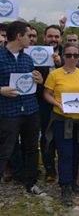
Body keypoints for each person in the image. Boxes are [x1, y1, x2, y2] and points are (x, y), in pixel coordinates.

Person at [43, 43, 79, 206]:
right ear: (63, 56)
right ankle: (65, 187)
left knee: (77, 153)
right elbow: (47, 94)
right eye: (69, 55)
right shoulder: (55, 74)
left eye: (75, 55)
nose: (72, 58)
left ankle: (73, 182)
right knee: (65, 154)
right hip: (61, 120)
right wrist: (57, 105)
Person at [0, 21, 44, 195]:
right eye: (28, 35)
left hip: (31, 111)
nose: (30, 39)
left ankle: (31, 183)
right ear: (19, 36)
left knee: (32, 148)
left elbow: (31, 81)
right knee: (5, 150)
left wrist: (38, 80)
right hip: (8, 113)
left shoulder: (27, 58)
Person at [37, 25, 63, 182]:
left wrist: (60, 64)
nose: (53, 39)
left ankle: (64, 168)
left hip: (62, 102)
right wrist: (40, 82)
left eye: (56, 36)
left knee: (62, 135)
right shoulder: (35, 54)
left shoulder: (67, 53)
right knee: (46, 136)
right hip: (43, 102)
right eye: (50, 36)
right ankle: (49, 169)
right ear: (44, 37)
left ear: (60, 38)